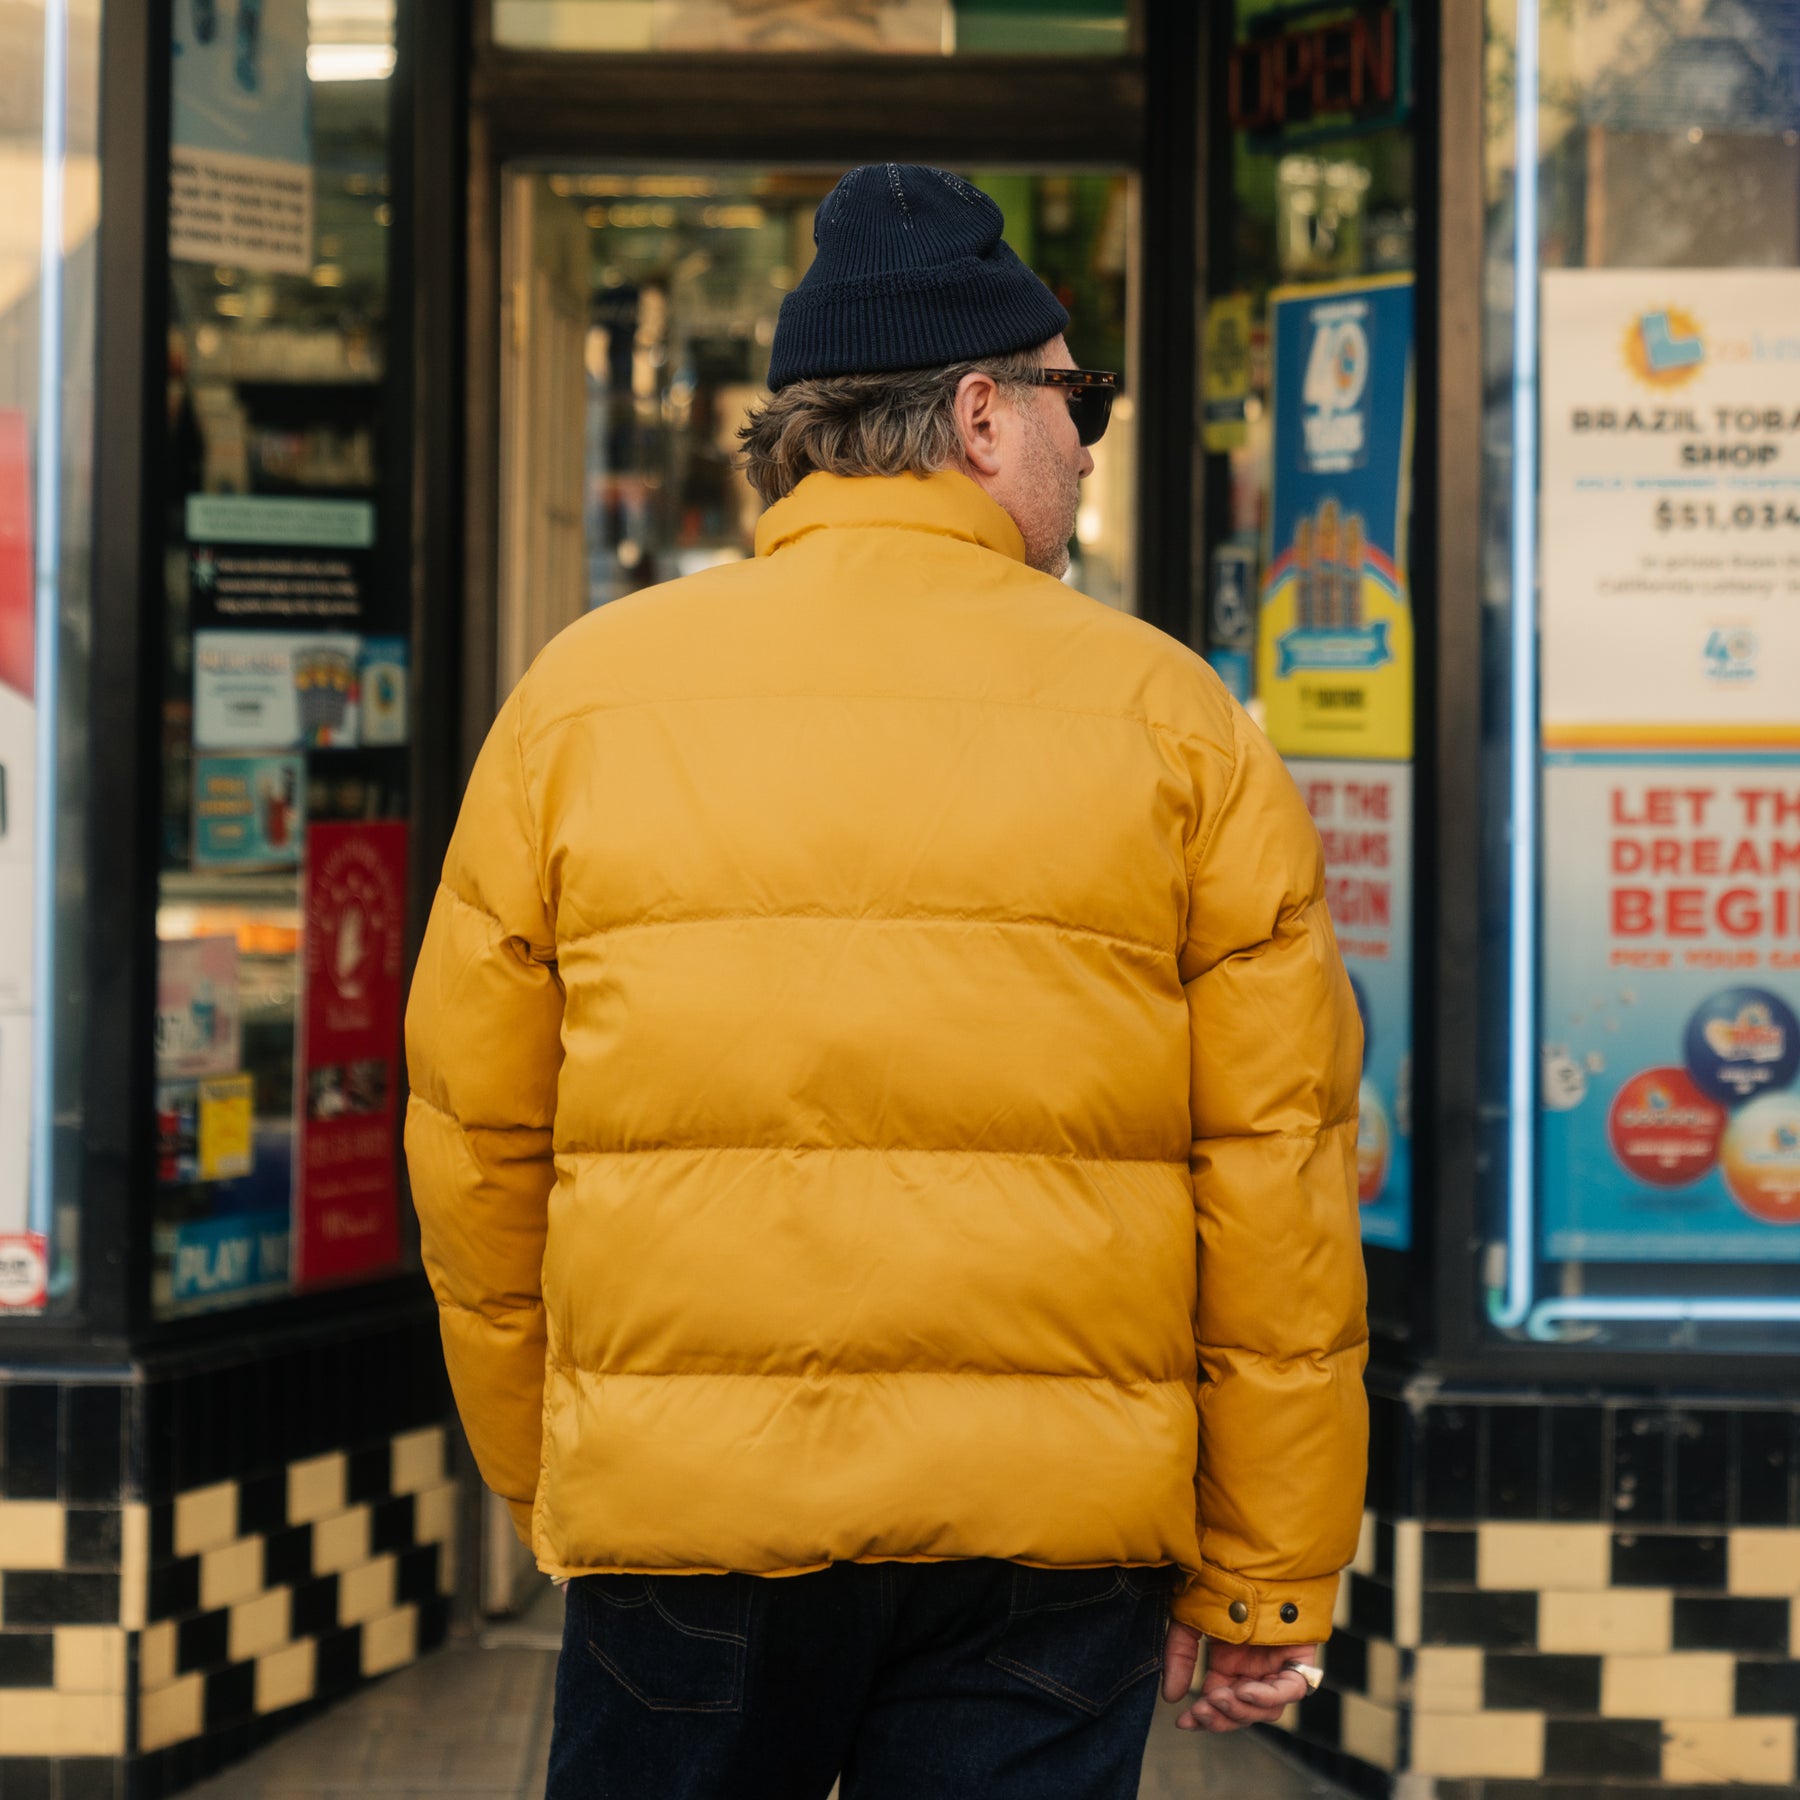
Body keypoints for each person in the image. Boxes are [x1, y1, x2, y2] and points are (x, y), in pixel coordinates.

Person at [406, 163, 1368, 1800]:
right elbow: (1275, 1172)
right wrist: (1265, 1565)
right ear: (985, 414)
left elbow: (477, 1150)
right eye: (1085, 401)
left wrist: (564, 1476)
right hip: (1050, 1546)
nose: (1089, 443)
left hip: (688, 1522)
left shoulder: (584, 702)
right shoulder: (1175, 718)